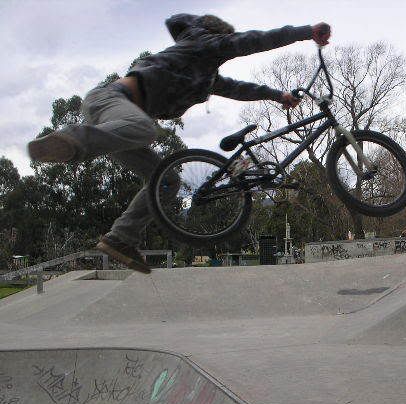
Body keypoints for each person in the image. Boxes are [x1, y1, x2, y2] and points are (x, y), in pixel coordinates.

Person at [27, 14, 331, 273]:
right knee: (145, 129)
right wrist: (306, 33)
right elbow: (254, 40)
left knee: (167, 181)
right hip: (110, 102)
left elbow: (240, 88)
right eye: (225, 45)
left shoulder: (206, 76)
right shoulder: (205, 43)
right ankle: (70, 138)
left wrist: (278, 95)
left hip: (121, 125)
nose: (224, 54)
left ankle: (120, 238)